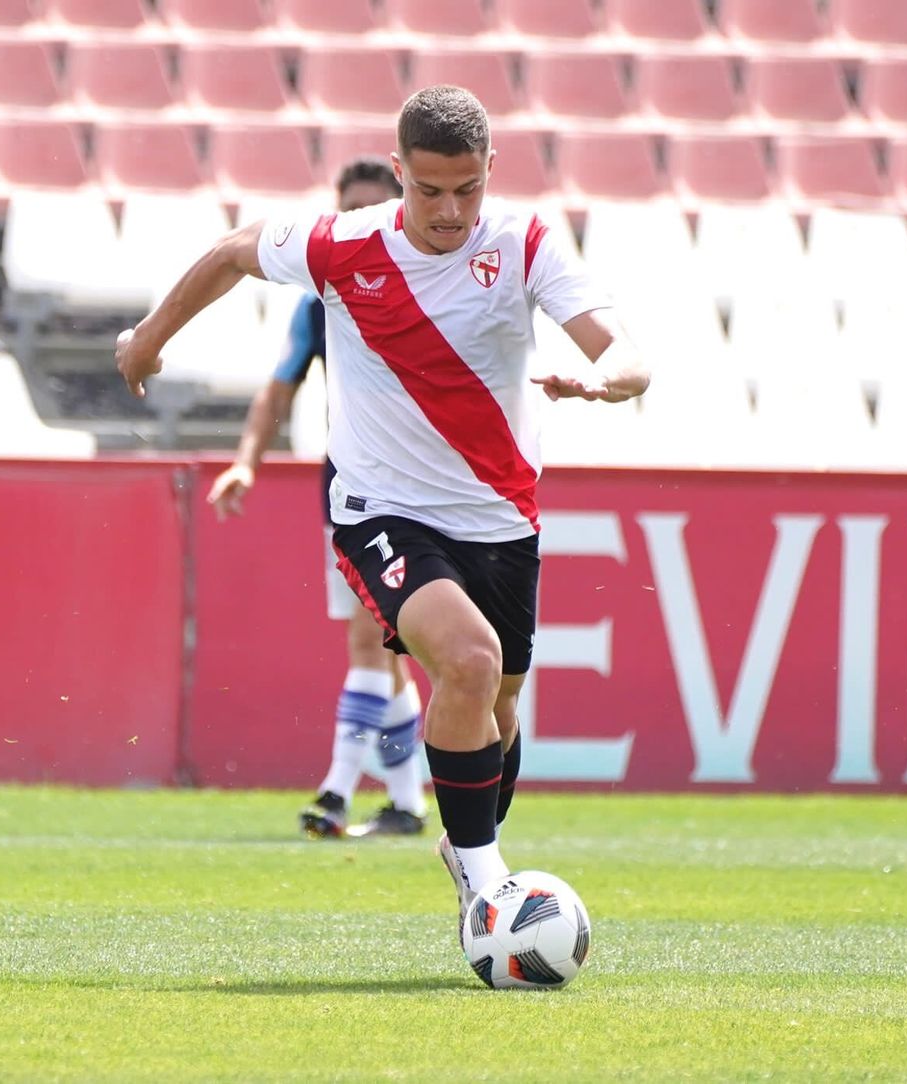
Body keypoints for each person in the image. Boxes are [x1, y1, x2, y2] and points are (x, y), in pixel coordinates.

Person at [117, 85, 649, 930]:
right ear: (398, 172)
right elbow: (229, 251)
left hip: (500, 515)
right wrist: (148, 336)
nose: (449, 209)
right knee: (468, 664)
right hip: (379, 510)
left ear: (490, 173)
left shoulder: (526, 242)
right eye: (429, 189)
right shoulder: (341, 245)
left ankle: (466, 847)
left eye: (467, 189)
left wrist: (604, 377)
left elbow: (626, 351)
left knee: (498, 706)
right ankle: (485, 886)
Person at [206, 157, 429, 840]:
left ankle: (336, 792)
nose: (360, 221)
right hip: (349, 487)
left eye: (373, 207)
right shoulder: (321, 301)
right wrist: (247, 461)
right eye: (349, 209)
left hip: (417, 488)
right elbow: (279, 389)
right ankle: (404, 805)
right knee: (381, 650)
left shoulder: (430, 292)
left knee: (373, 642)